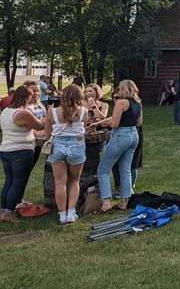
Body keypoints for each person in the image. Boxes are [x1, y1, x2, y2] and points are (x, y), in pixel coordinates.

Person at [93, 80, 142, 213]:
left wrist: (104, 124)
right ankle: (124, 202)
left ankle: (106, 203)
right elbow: (139, 122)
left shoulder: (120, 102)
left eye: (120, 88)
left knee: (103, 170)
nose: (118, 91)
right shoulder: (138, 102)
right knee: (125, 169)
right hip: (134, 135)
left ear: (125, 89)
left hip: (121, 136)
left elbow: (114, 124)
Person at [43, 84, 88, 224]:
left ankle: (62, 215)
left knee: (60, 182)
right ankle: (71, 213)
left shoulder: (52, 111)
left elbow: (47, 135)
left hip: (57, 146)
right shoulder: (84, 111)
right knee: (74, 181)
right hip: (77, 146)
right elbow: (85, 128)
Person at [0, 86, 45, 223]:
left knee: (9, 181)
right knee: (18, 183)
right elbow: (39, 126)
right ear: (27, 97)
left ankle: (3, 209)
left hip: (6, 149)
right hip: (21, 150)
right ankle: (9, 213)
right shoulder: (22, 113)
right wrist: (48, 116)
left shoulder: (5, 111)